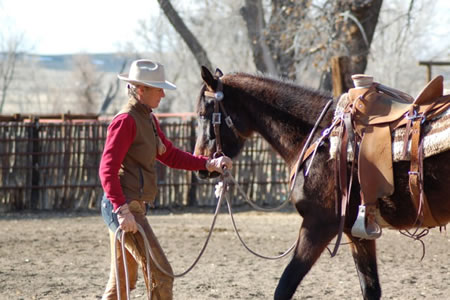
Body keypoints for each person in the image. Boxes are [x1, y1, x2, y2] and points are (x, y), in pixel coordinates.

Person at [99, 59, 232, 300]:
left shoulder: (148, 119)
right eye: (158, 88)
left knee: (122, 283)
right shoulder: (126, 120)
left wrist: (207, 163)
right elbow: (106, 170)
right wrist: (122, 210)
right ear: (141, 90)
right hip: (125, 207)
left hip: (128, 206)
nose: (162, 94)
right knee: (161, 274)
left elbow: (169, 154)